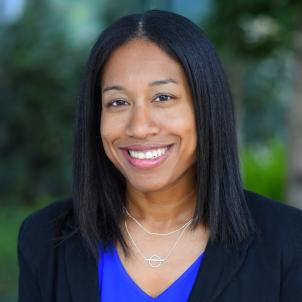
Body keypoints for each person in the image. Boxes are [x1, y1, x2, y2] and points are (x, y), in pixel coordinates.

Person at [18, 10, 302, 302]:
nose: (139, 127)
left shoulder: (289, 242)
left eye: (163, 98)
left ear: (206, 107)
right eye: (117, 102)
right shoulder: (44, 238)